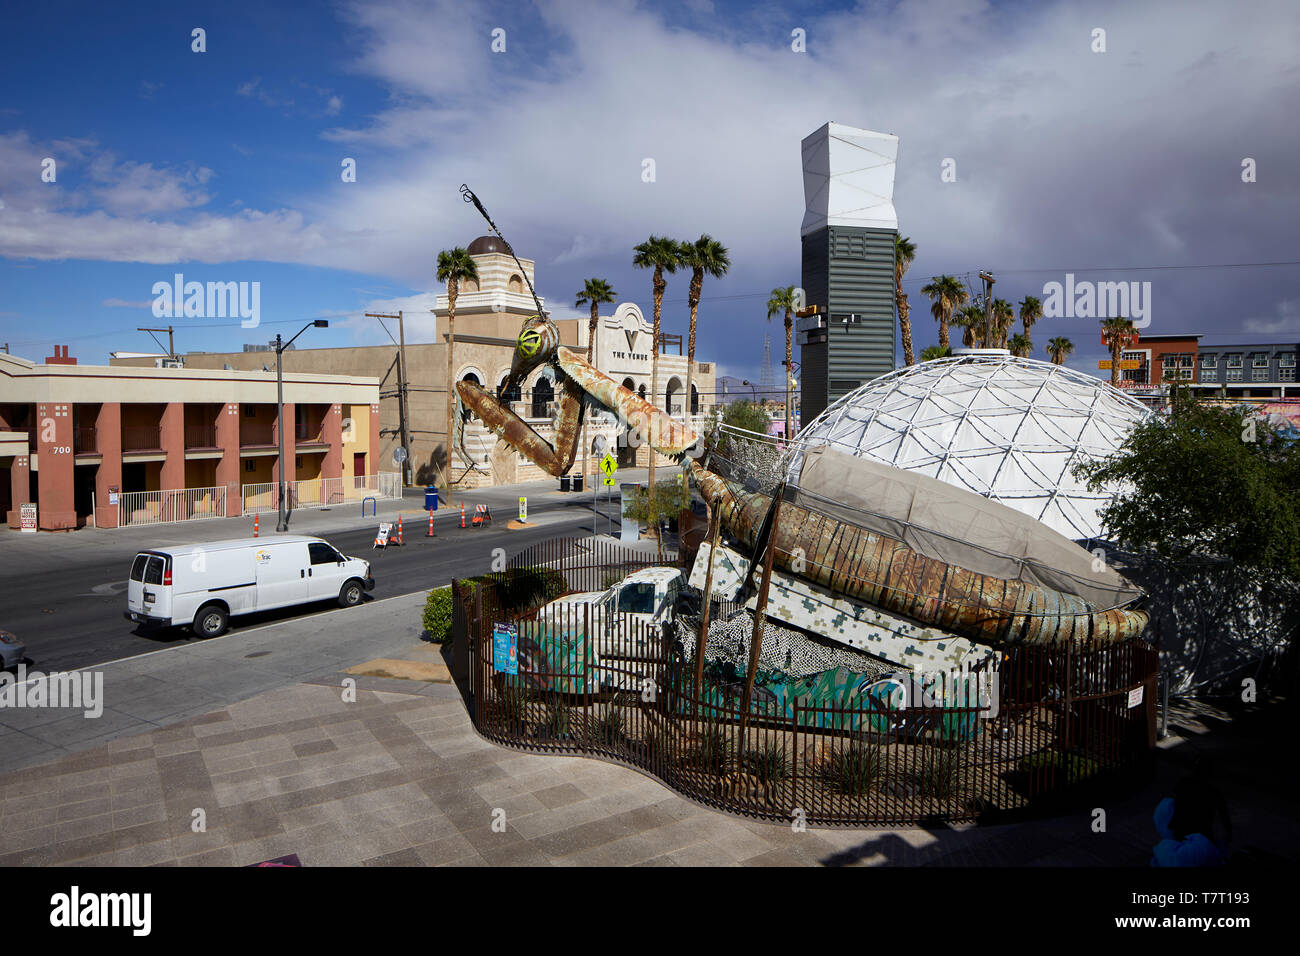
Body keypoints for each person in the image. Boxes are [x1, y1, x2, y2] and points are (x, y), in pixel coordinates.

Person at [1151, 763, 1231, 866]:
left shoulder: (1183, 784)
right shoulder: (1213, 792)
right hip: (1201, 833)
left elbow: (1172, 802)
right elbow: (1224, 815)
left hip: (1182, 830)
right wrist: (1228, 832)